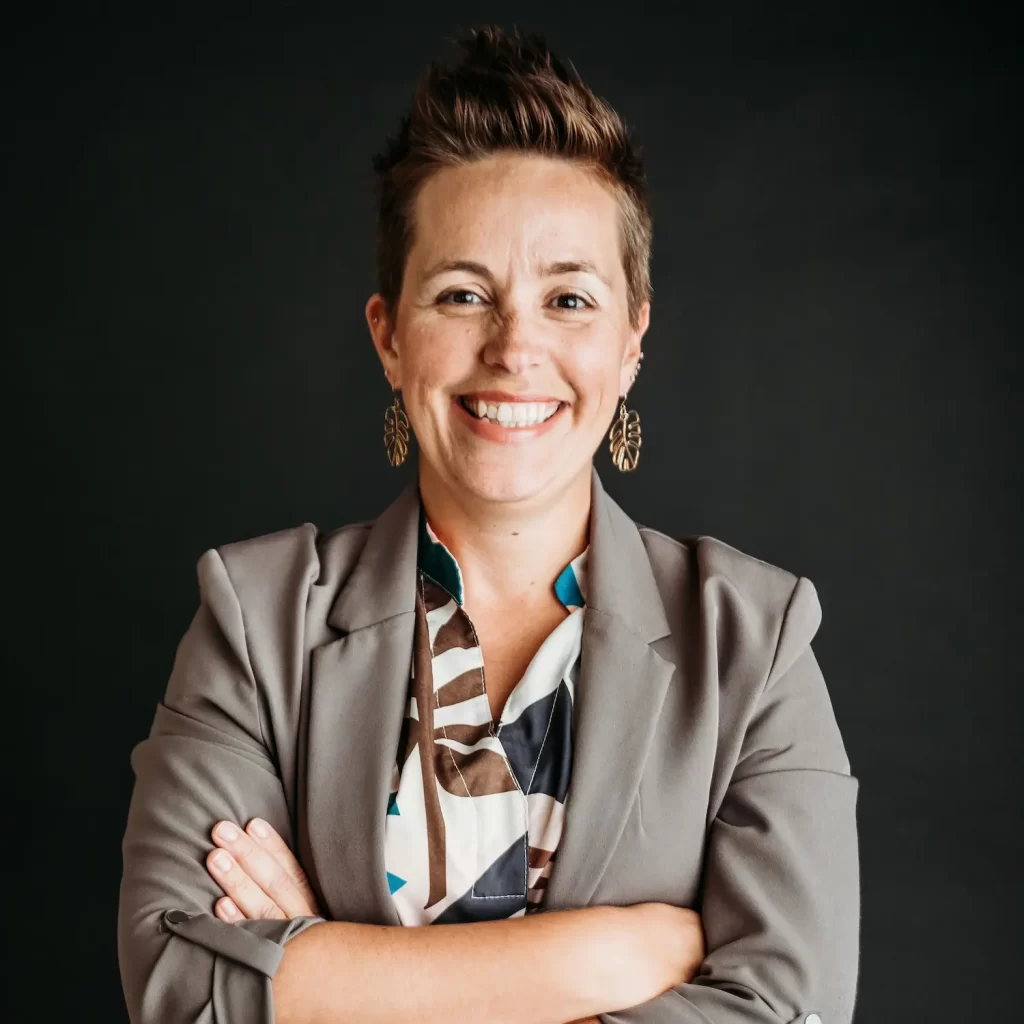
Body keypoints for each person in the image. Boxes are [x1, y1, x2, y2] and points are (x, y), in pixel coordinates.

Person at [117, 24, 859, 1024]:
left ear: (632, 340)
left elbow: (789, 1011)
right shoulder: (257, 617)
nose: (515, 349)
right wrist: (611, 956)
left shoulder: (755, 642)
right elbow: (176, 985)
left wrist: (326, 975)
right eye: (463, 293)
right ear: (389, 335)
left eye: (568, 298)